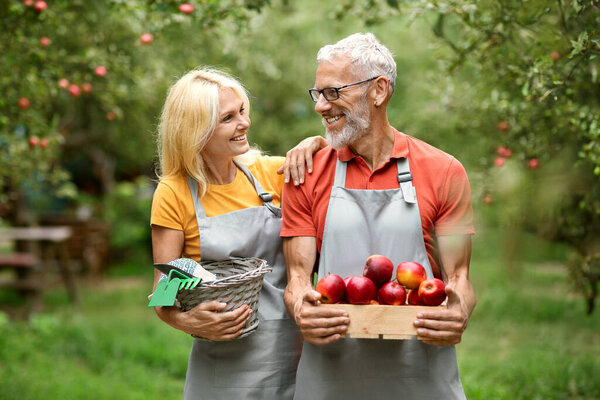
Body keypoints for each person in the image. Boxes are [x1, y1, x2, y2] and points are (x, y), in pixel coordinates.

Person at [281, 32, 476, 399]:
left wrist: (458, 312)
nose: (321, 106)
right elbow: (297, 279)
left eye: (333, 92)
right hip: (332, 374)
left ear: (379, 91)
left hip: (419, 373)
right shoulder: (303, 174)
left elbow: (460, 278)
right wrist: (301, 308)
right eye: (318, 94)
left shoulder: (444, 171)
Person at [150, 67, 327, 399]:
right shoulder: (174, 193)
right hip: (225, 363)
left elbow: (336, 161)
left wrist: (313, 142)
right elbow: (162, 294)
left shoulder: (271, 173)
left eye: (242, 110)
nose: (244, 123)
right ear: (195, 130)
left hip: (296, 352)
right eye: (228, 118)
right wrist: (189, 322)